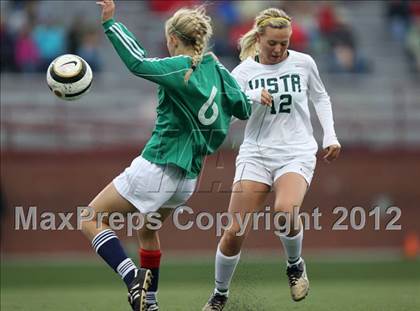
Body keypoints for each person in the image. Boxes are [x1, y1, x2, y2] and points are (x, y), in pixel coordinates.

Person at [84, 1, 251, 311]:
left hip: (158, 164)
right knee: (147, 230)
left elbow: (137, 62)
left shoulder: (178, 67)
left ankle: (132, 276)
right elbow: (243, 107)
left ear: (173, 39)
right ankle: (149, 303)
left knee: (90, 217)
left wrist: (110, 23)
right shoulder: (215, 67)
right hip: (187, 179)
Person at [203, 8, 341, 310]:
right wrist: (251, 97)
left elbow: (321, 97)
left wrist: (329, 135)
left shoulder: (304, 63)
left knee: (284, 210)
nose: (279, 49)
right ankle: (220, 294)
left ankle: (294, 264)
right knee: (234, 231)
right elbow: (229, 112)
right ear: (259, 39)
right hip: (256, 153)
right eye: (272, 43)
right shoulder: (242, 74)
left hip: (296, 151)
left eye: (284, 42)